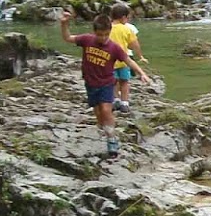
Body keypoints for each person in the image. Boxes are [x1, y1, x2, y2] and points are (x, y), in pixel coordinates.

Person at [60, 9, 150, 158]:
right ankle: (104, 129)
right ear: (94, 32)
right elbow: (68, 38)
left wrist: (142, 73)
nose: (103, 38)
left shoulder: (114, 48)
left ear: (110, 31)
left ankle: (112, 138)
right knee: (98, 113)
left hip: (107, 83)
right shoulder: (87, 40)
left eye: (106, 35)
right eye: (99, 35)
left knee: (106, 110)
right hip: (90, 83)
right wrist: (64, 24)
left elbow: (128, 60)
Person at [108, 2, 147, 112]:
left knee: (113, 82)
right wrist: (140, 56)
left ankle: (115, 99)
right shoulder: (126, 29)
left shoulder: (107, 28)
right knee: (125, 82)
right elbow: (134, 44)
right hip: (124, 61)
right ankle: (125, 103)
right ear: (123, 17)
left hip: (109, 62)